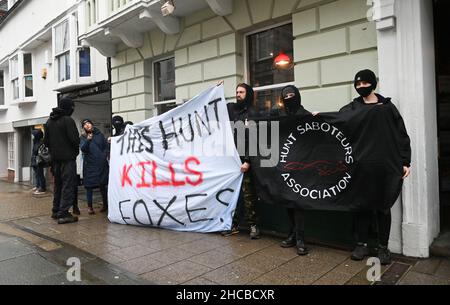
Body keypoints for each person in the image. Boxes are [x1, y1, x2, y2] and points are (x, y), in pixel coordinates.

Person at [340, 69, 411, 265]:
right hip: (361, 166)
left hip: (385, 166)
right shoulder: (352, 108)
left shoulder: (387, 108)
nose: (361, 87)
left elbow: (401, 136)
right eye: (358, 84)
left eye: (365, 83)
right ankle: (361, 244)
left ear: (373, 83)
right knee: (362, 206)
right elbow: (337, 122)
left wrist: (406, 162)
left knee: (383, 208)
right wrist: (318, 116)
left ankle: (383, 248)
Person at [222, 83, 261, 239]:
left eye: (241, 92)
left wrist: (248, 161)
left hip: (246, 161)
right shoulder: (233, 110)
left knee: (248, 195)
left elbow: (254, 139)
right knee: (233, 195)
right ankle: (234, 224)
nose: (238, 94)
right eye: (236, 91)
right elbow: (214, 105)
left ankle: (254, 225)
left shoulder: (253, 112)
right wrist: (217, 89)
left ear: (248, 93)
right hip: (232, 160)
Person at [278, 85, 310, 255]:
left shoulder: (304, 114)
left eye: (292, 94)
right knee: (288, 202)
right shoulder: (279, 115)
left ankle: (300, 237)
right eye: (286, 95)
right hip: (284, 166)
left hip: (300, 165)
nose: (289, 97)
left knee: (298, 204)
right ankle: (291, 233)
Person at [45, 97, 80, 224]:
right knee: (68, 185)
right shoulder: (68, 120)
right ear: (68, 107)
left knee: (58, 185)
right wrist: (75, 152)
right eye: (72, 107)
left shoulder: (49, 121)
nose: (73, 109)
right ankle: (64, 213)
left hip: (55, 160)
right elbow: (75, 140)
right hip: (67, 159)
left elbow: (46, 142)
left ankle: (55, 210)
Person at [80, 119, 109, 215]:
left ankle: (105, 205)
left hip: (101, 164)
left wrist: (103, 156)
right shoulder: (83, 137)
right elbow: (83, 149)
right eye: (85, 124)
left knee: (103, 185)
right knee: (89, 186)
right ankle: (90, 207)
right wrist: (88, 140)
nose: (87, 125)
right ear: (83, 127)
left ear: (92, 124)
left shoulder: (99, 135)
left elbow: (105, 147)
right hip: (89, 165)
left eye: (89, 123)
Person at [31, 128, 47, 195]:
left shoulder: (41, 142)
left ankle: (42, 188)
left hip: (39, 160)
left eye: (33, 135)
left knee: (40, 174)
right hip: (34, 159)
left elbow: (40, 151)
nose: (32, 136)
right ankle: (37, 185)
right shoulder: (35, 141)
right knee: (36, 174)